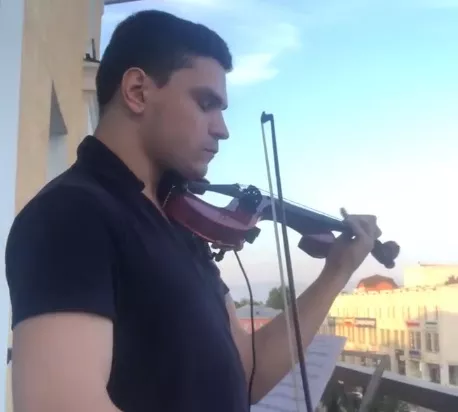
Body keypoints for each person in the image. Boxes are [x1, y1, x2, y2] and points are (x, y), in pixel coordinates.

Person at [5, 9, 381, 412]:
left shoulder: (179, 221)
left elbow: (245, 372)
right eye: (206, 104)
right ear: (137, 91)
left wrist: (336, 271)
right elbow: (60, 403)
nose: (222, 128)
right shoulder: (72, 214)